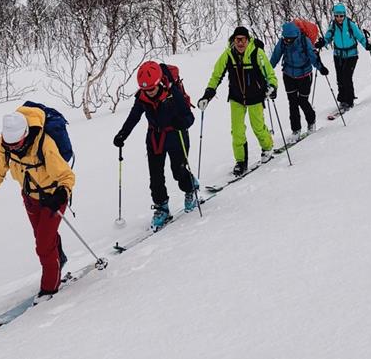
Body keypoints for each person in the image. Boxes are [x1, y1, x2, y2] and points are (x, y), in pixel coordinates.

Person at [0, 106, 75, 303]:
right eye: (10, 145)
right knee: (43, 238)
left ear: (25, 134)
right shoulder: (5, 143)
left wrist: (60, 194)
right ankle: (59, 260)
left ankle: (50, 288)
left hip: (52, 197)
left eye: (17, 144)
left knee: (43, 245)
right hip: (29, 197)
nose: (13, 148)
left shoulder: (44, 144)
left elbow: (66, 176)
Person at [113, 61, 198, 229]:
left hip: (176, 135)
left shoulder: (173, 93)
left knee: (178, 171)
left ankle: (191, 189)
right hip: (155, 138)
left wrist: (182, 123)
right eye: (146, 90)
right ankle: (161, 208)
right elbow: (134, 117)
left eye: (151, 89)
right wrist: (123, 134)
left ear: (159, 82)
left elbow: (189, 117)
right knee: (156, 177)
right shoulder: (142, 97)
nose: (149, 93)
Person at [197, 26, 278, 176]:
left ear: (248, 40)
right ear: (233, 41)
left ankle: (267, 147)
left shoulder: (257, 53)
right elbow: (216, 75)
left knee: (258, 127)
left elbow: (270, 74)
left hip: (255, 97)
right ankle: (240, 161)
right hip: (236, 98)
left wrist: (273, 87)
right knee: (237, 131)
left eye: (243, 40)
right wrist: (207, 95)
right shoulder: (228, 55)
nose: (240, 43)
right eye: (237, 40)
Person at [269, 21, 327, 142]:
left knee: (302, 100)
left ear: (295, 36)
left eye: (289, 39)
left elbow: (312, 55)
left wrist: (321, 68)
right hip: (288, 75)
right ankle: (296, 130)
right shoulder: (283, 42)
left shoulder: (304, 41)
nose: (287, 41)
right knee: (292, 102)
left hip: (305, 75)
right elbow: (275, 56)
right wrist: (267, 71)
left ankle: (311, 121)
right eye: (285, 39)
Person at [314, 3, 370, 111]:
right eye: (336, 16)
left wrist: (366, 45)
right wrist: (322, 43)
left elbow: (359, 36)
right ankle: (342, 100)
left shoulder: (350, 24)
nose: (339, 18)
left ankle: (349, 101)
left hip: (351, 55)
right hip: (338, 56)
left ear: (344, 15)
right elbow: (328, 38)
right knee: (340, 79)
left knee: (346, 77)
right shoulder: (333, 25)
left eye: (341, 16)